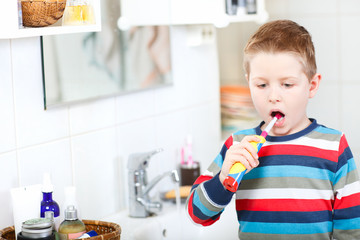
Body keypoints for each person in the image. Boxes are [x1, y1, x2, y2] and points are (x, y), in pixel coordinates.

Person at [186, 19, 360, 240]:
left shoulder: (334, 146)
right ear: (248, 83)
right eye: (261, 85)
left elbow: (351, 229)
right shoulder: (238, 146)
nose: (273, 96)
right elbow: (196, 215)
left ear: (312, 86)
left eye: (287, 85)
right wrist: (222, 178)